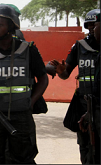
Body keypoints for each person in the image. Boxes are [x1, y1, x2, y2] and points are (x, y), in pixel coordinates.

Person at [0, 4, 49, 164]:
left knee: (23, 158)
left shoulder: (28, 50)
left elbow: (43, 79)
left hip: (21, 116)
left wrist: (30, 102)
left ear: (11, 26)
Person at [46, 9, 100, 164]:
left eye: (94, 25)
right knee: (86, 147)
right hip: (84, 105)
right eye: (88, 25)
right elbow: (65, 74)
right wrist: (61, 71)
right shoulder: (80, 46)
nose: (91, 29)